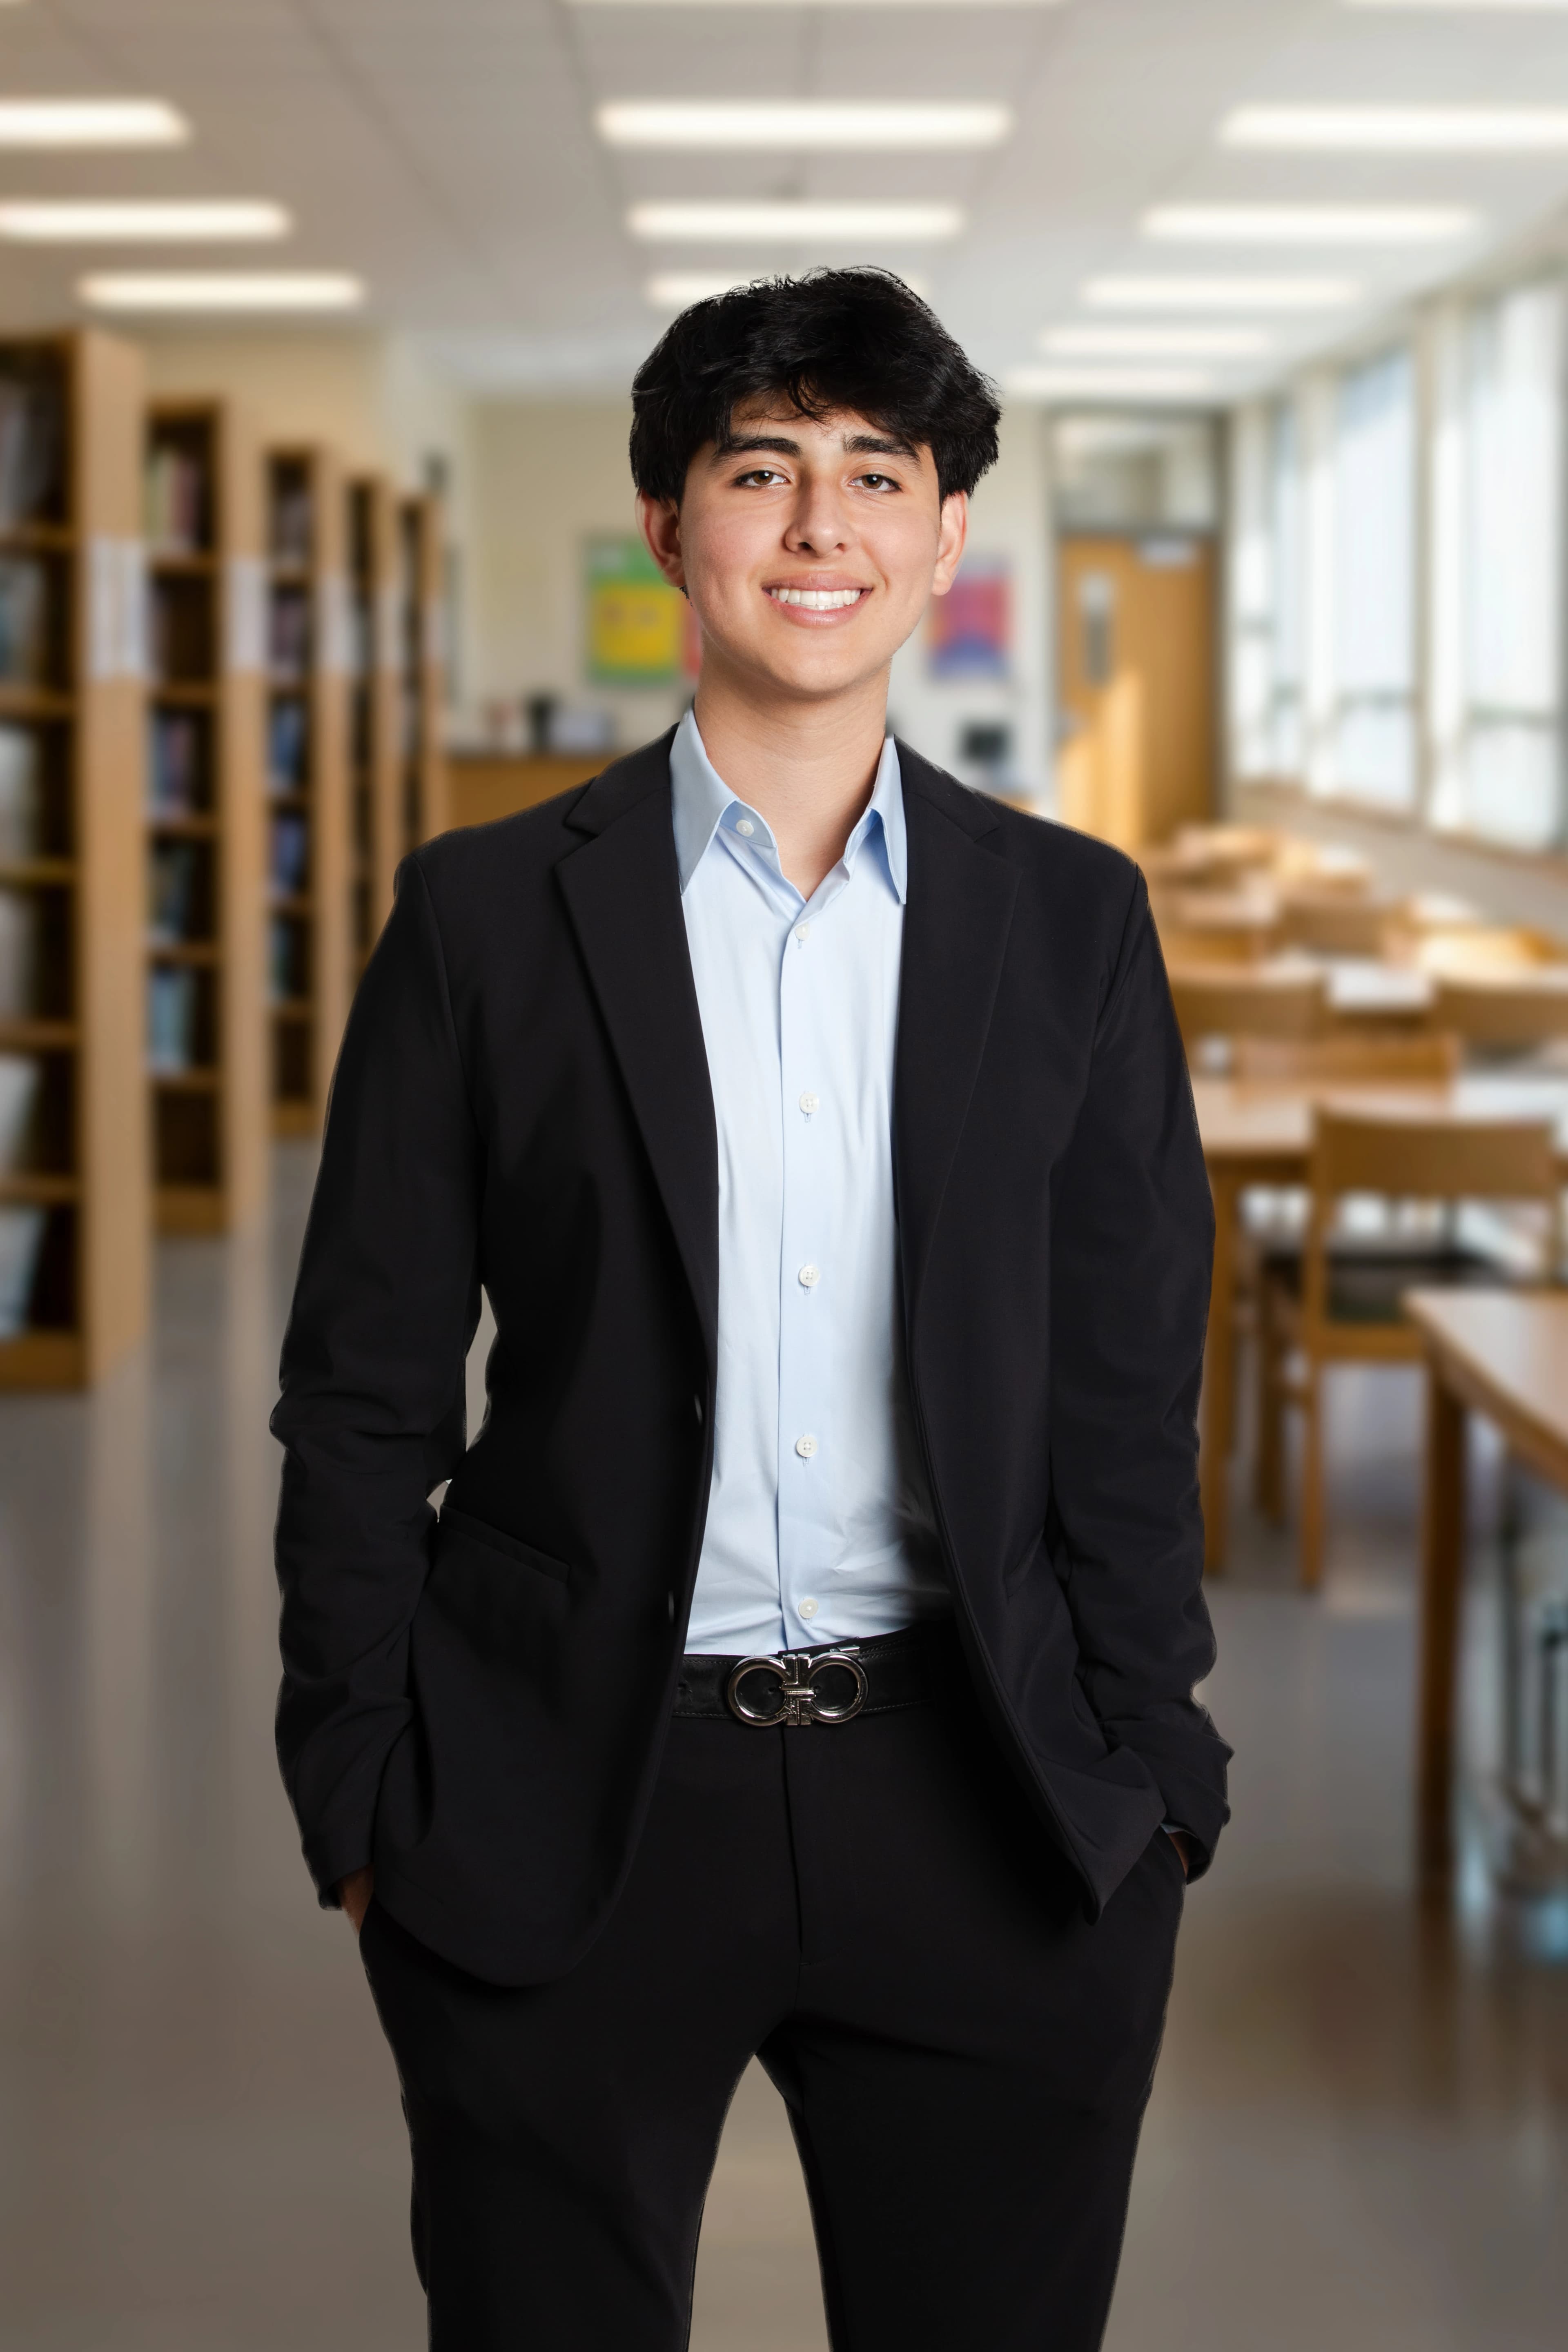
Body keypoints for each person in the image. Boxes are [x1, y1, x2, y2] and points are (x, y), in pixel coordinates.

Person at [272, 267, 1229, 2351]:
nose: (823, 528)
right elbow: (363, 1384)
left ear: (948, 533)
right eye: (761, 469)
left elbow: (1129, 1371)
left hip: (987, 1787)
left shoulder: (1072, 923)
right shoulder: (483, 915)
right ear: (670, 522)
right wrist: (360, 1782)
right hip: (568, 1798)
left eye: (879, 475)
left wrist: (1156, 1763)